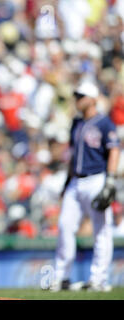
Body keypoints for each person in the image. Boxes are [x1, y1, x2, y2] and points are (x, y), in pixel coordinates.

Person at [50, 81, 120, 292]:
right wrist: (66, 183)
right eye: (77, 96)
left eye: (81, 96)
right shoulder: (77, 123)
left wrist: (110, 180)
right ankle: (62, 277)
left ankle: (98, 279)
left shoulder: (104, 123)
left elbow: (114, 151)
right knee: (64, 226)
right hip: (76, 181)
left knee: (101, 230)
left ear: (92, 99)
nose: (77, 100)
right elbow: (72, 157)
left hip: (96, 178)